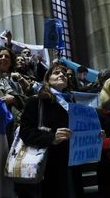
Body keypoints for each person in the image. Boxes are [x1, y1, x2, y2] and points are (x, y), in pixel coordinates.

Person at [18, 63, 83, 198]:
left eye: (64, 74)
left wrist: (94, 135)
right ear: (47, 79)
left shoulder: (74, 103)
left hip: (72, 164)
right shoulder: (37, 101)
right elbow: (25, 131)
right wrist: (51, 137)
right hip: (48, 165)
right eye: (56, 73)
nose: (61, 75)